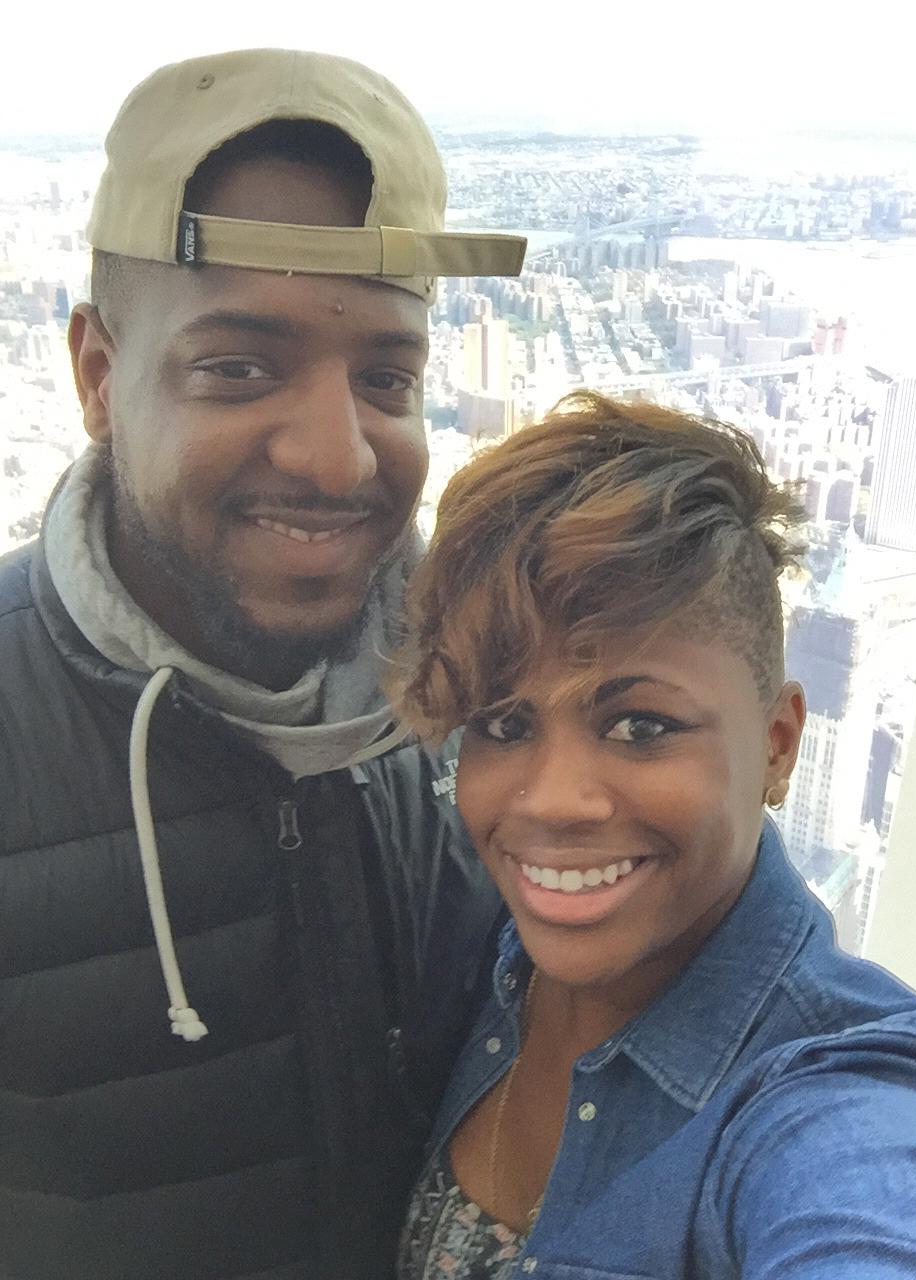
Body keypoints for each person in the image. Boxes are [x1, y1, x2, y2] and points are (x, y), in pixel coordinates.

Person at [0, 49, 526, 1280]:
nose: (338, 458)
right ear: (98, 376)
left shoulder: (492, 681)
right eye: (238, 367)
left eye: (387, 378)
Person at [391, 392, 916, 1278]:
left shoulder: (837, 1088)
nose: (554, 801)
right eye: (503, 724)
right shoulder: (482, 966)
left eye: (641, 726)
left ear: (777, 744)